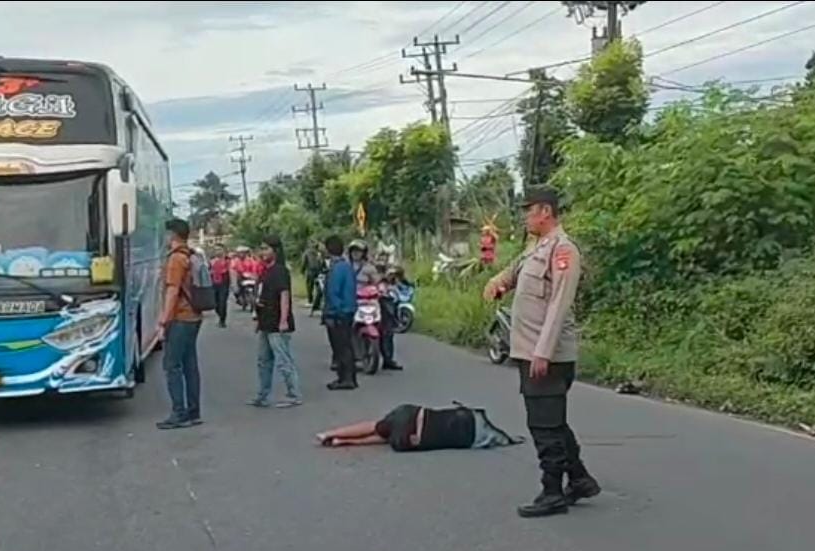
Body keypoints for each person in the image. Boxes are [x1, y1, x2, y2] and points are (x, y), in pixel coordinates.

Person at [483, 185, 601, 518]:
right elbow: (513, 273)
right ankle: (579, 479)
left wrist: (542, 352)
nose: (525, 217)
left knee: (544, 425)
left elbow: (559, 305)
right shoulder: (537, 249)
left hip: (547, 355)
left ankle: (552, 492)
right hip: (530, 351)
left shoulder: (563, 250)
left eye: (529, 210)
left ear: (545, 212)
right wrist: (499, 282)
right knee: (553, 421)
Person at [156, 218, 204, 430]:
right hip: (194, 316)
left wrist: (163, 320)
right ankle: (194, 412)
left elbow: (173, 291)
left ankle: (179, 412)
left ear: (172, 235)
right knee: (190, 365)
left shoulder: (176, 259)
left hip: (180, 317)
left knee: (172, 365)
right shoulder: (191, 255)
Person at [315, 403, 523, 451]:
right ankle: (343, 440)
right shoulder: (488, 437)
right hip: (416, 440)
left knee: (379, 426)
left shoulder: (471, 415)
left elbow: (425, 413)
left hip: (415, 421)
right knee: (384, 434)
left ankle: (332, 433)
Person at [250, 236, 302, 408]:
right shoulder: (265, 271)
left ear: (275, 251)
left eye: (266, 249)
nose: (262, 252)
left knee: (283, 359)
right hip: (265, 321)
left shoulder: (280, 271)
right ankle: (262, 394)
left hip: (277, 322)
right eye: (261, 249)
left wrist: (283, 320)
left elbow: (284, 296)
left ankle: (294, 394)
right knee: (263, 360)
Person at [323, 235, 358, 390]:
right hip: (348, 309)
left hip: (338, 313)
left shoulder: (336, 268)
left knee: (340, 346)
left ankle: (345, 378)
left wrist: (333, 311)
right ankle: (348, 377)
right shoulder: (347, 266)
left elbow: (333, 292)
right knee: (347, 345)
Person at [378, 266, 406, 371]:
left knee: (387, 332)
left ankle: (388, 359)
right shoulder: (369, 269)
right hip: (369, 301)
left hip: (386, 303)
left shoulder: (392, 284)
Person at [209, 245, 231, 328]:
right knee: (215, 303)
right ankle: (220, 314)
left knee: (222, 302)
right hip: (214, 284)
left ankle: (222, 320)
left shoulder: (227, 261)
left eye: (220, 250)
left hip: (224, 284)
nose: (218, 251)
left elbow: (231, 272)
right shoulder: (211, 261)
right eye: (216, 250)